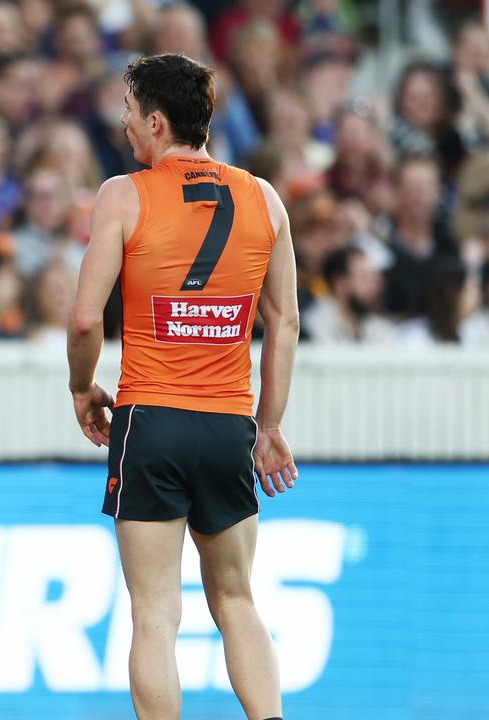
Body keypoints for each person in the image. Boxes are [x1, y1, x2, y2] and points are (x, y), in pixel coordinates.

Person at [67, 54, 299, 720]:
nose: (124, 122)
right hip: (229, 425)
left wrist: (83, 386)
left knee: (155, 614)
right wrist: (270, 424)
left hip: (151, 421)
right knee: (236, 599)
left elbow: (86, 317)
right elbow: (283, 322)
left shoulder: (124, 193)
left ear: (158, 121)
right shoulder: (265, 197)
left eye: (130, 111)